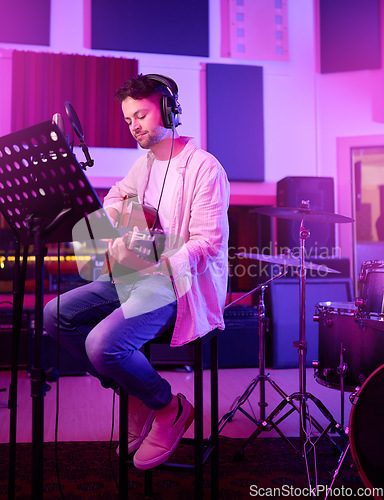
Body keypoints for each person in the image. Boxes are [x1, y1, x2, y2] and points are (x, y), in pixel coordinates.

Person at [44, 73, 230, 470]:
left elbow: (207, 242)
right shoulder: (143, 165)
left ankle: (167, 407)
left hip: (178, 288)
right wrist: (117, 224)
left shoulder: (204, 168)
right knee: (54, 314)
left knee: (101, 345)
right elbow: (116, 196)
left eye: (141, 115)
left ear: (167, 109)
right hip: (134, 278)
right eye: (129, 120)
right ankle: (138, 393)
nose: (134, 126)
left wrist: (160, 266)